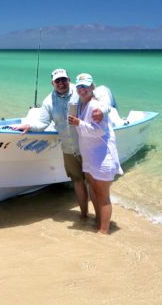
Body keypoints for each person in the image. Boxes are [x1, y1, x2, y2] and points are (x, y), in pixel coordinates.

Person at [11, 68, 111, 219]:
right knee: (77, 181)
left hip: (87, 146)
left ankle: (99, 219)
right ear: (52, 83)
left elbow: (103, 102)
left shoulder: (80, 91)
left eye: (64, 79)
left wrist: (102, 111)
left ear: (69, 80)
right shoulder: (48, 102)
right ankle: (84, 216)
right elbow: (43, 123)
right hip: (68, 149)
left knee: (92, 182)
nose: (61, 83)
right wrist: (29, 126)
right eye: (57, 81)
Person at [68, 72, 122, 234]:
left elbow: (98, 131)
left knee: (102, 195)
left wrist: (79, 123)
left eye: (85, 86)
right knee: (94, 190)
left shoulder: (95, 106)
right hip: (90, 156)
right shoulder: (81, 104)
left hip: (102, 157)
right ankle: (99, 222)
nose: (82, 89)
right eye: (79, 87)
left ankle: (103, 231)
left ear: (92, 87)